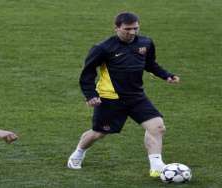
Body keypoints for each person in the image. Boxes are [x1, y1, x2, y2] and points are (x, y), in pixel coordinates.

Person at [67, 12, 180, 177]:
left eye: (135, 28)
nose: (132, 32)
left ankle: (157, 167)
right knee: (99, 133)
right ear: (117, 28)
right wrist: (90, 95)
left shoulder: (146, 43)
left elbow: (150, 64)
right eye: (127, 29)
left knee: (157, 127)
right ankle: (78, 153)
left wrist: (166, 75)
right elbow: (87, 73)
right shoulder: (103, 48)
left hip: (136, 97)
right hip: (110, 98)